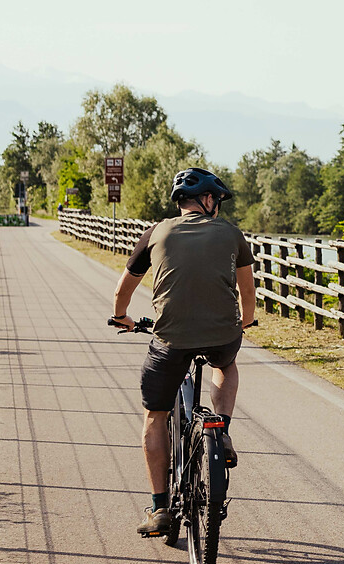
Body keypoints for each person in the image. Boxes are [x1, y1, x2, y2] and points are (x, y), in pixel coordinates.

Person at [108, 168, 256, 537]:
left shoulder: (156, 232)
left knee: (155, 416)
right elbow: (248, 294)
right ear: (207, 200)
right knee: (226, 364)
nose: (217, 207)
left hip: (170, 340)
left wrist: (121, 317)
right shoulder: (232, 234)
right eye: (216, 201)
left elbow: (121, 292)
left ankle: (160, 508)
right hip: (222, 336)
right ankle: (221, 430)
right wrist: (244, 324)